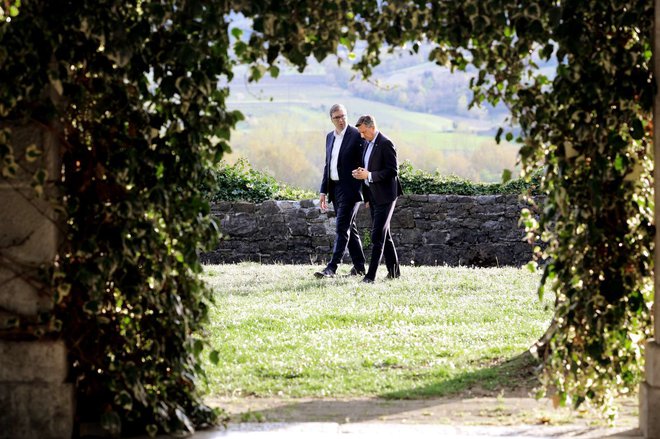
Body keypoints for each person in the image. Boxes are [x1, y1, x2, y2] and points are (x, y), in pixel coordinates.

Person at [314, 104, 367, 278]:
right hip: (335, 189)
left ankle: (332, 268)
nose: (341, 120)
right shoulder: (329, 137)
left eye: (343, 116)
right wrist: (323, 191)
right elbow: (327, 165)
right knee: (350, 228)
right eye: (337, 117)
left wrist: (366, 185)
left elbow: (366, 160)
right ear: (331, 119)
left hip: (352, 189)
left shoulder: (356, 135)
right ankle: (359, 267)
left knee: (342, 227)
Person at [352, 114, 403, 283]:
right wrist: (361, 174)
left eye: (364, 132)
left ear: (372, 127)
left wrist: (370, 175)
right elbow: (368, 169)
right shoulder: (367, 144)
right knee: (384, 234)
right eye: (360, 132)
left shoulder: (386, 143)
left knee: (377, 237)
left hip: (386, 197)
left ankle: (370, 276)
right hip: (373, 196)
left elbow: (392, 171)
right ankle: (394, 272)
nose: (361, 135)